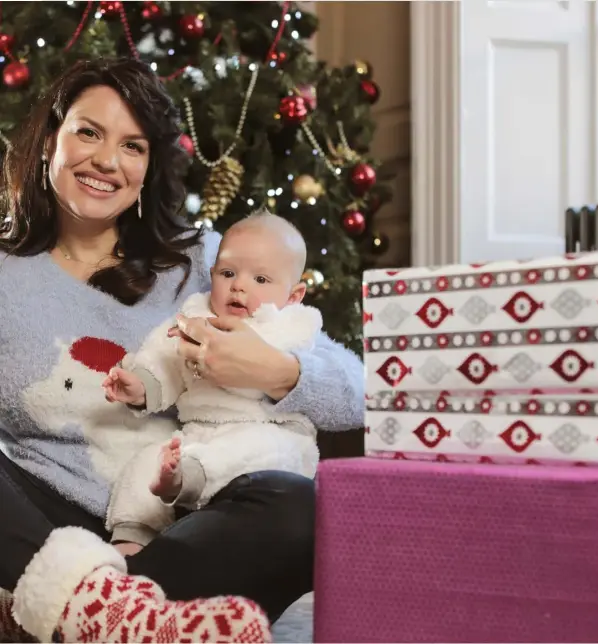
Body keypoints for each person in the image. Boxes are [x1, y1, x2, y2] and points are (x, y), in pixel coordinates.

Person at [0, 58, 364, 643]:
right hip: (44, 525)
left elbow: (359, 393)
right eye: (88, 131)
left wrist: (280, 371)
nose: (107, 161)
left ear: (149, 167)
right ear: (50, 139)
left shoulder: (206, 262)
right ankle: (109, 613)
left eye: (133, 146)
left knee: (297, 505)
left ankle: (68, 612)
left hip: (180, 524)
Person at [102, 211, 323, 552]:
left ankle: (188, 480)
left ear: (294, 296)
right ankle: (130, 546)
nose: (239, 286)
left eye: (261, 280)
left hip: (269, 434)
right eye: (228, 273)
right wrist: (140, 386)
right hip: (198, 432)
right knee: (149, 460)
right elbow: (164, 357)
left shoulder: (297, 327)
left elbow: (323, 378)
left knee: (252, 450)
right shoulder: (197, 314)